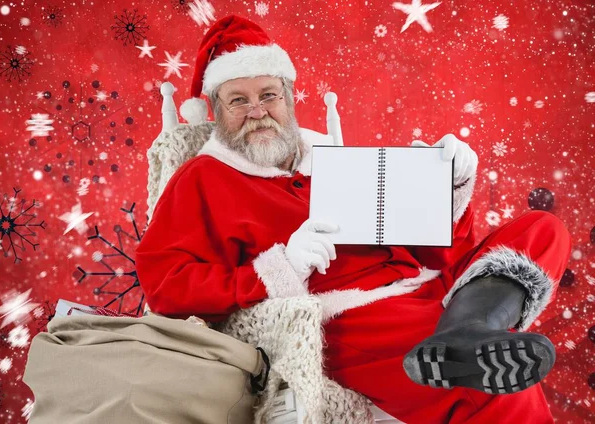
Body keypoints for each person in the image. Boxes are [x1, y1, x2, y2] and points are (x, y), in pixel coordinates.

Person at [135, 15, 572, 424]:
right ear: (216, 111)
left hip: (425, 285)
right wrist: (275, 270)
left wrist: (448, 193)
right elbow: (166, 286)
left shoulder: (332, 156)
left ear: (287, 97)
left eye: (268, 94)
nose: (257, 110)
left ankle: (467, 330)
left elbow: (443, 253)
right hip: (351, 315)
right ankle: (463, 343)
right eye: (238, 100)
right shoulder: (202, 178)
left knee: (543, 229)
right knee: (500, 391)